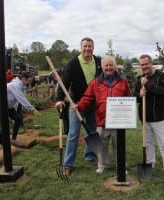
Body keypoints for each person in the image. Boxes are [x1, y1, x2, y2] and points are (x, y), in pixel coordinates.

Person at [73, 56, 131, 173]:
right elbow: (87, 98)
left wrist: (128, 114)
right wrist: (79, 106)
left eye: (111, 65)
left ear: (115, 67)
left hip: (118, 121)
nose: (109, 68)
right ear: (102, 67)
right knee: (102, 146)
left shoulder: (123, 82)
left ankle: (121, 166)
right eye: (106, 65)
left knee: (119, 146)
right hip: (102, 120)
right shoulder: (95, 83)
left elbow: (128, 98)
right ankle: (103, 165)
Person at [55, 37, 102, 176]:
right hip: (76, 104)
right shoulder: (73, 63)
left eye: (90, 46)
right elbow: (64, 83)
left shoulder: (98, 61)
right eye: (85, 46)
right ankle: (68, 164)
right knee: (73, 134)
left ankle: (90, 155)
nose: (87, 49)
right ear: (81, 47)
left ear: (93, 47)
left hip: (92, 104)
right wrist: (59, 99)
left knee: (91, 131)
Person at [134, 54, 164, 181]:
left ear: (151, 63)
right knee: (148, 143)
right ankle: (150, 164)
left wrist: (148, 86)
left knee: (163, 144)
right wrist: (139, 94)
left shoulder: (160, 76)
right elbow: (135, 97)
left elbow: (163, 91)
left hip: (159, 117)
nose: (144, 67)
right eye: (142, 65)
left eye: (146, 64)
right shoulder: (139, 79)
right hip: (145, 118)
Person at [0, 71, 39, 146]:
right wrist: (32, 109)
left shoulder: (20, 85)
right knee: (5, 123)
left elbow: (19, 98)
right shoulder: (15, 85)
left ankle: (13, 140)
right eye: (28, 81)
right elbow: (21, 98)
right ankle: (0, 142)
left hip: (8, 105)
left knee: (18, 119)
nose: (29, 83)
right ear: (23, 79)